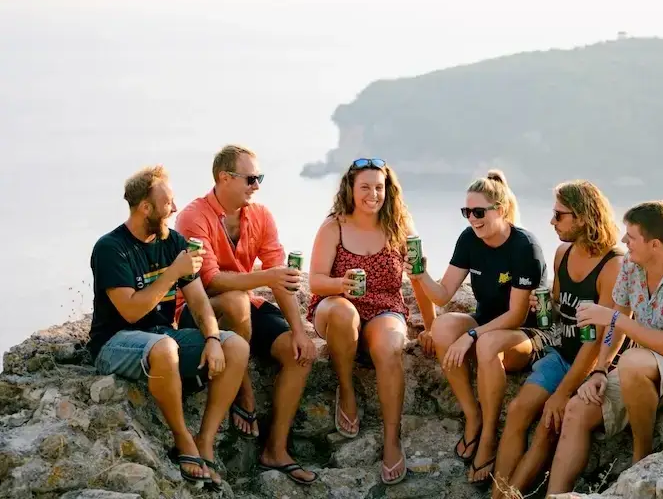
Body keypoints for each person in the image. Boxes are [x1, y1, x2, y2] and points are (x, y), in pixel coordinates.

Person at [545, 200, 663, 495]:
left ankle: (641, 459)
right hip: (646, 361)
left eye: (631, 237)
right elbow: (613, 328)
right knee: (577, 408)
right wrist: (601, 368)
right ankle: (555, 496)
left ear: (655, 244)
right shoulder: (632, 266)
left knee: (632, 361)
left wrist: (615, 319)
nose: (623, 242)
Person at [87, 165, 249, 490]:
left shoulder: (173, 241)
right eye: (167, 204)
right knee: (165, 348)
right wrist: (173, 273)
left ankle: (205, 440)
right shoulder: (110, 249)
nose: (175, 209)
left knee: (236, 347)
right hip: (114, 343)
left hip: (163, 338)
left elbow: (200, 302)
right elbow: (131, 311)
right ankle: (183, 438)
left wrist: (214, 338)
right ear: (145, 208)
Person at [174, 144, 318, 485]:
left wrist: (300, 331)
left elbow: (278, 275)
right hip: (199, 310)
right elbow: (210, 279)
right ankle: (244, 390)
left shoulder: (261, 215)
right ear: (225, 178)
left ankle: (276, 449)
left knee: (299, 355)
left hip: (246, 307)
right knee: (237, 300)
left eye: (259, 178)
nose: (257, 185)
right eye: (251, 178)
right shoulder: (194, 216)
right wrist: (267, 277)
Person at [406, 170, 551, 485]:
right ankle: (472, 416)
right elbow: (444, 294)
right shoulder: (469, 239)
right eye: (466, 212)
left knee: (486, 345)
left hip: (526, 334)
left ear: (499, 210)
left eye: (478, 212)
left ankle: (487, 437)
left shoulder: (524, 246)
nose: (472, 218)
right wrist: (419, 275)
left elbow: (516, 315)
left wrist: (471, 336)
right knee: (443, 328)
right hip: (487, 322)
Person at [491, 180, 624, 498]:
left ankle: (510, 496)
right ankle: (496, 495)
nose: (552, 222)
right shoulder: (563, 253)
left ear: (582, 217)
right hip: (561, 353)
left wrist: (562, 394)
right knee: (519, 410)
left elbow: (596, 342)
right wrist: (542, 307)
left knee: (546, 429)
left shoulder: (613, 265)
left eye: (559, 215)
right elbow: (558, 307)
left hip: (591, 366)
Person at [307, 158, 433, 486]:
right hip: (335, 305)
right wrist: (342, 284)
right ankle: (346, 390)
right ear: (350, 189)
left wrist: (431, 326)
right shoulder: (333, 225)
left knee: (392, 347)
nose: (373, 194)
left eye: (379, 187)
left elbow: (417, 280)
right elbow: (316, 281)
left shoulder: (401, 226)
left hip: (384, 308)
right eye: (365, 187)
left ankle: (392, 438)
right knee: (344, 312)